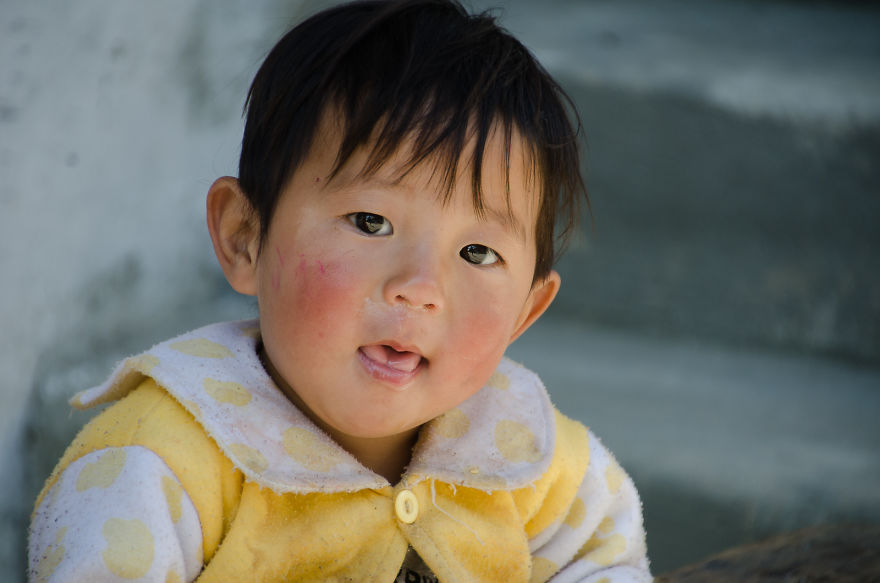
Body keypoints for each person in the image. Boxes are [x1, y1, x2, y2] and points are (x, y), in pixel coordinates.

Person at [28, 1, 651, 581]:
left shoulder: (537, 459)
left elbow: (608, 561)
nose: (419, 288)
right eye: (370, 222)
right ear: (246, 238)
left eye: (478, 253)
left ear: (525, 310)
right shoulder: (154, 464)